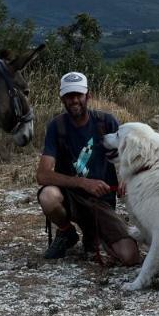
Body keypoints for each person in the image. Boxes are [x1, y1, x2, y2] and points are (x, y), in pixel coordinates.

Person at [36, 71, 140, 266]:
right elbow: (42, 174)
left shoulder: (107, 122)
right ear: (62, 99)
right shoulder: (56, 126)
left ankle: (92, 234)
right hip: (70, 196)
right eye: (68, 96)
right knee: (48, 196)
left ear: (88, 96)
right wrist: (82, 182)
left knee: (130, 256)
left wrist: (127, 175)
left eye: (78, 95)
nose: (74, 100)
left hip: (101, 201)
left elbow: (129, 155)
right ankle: (66, 232)